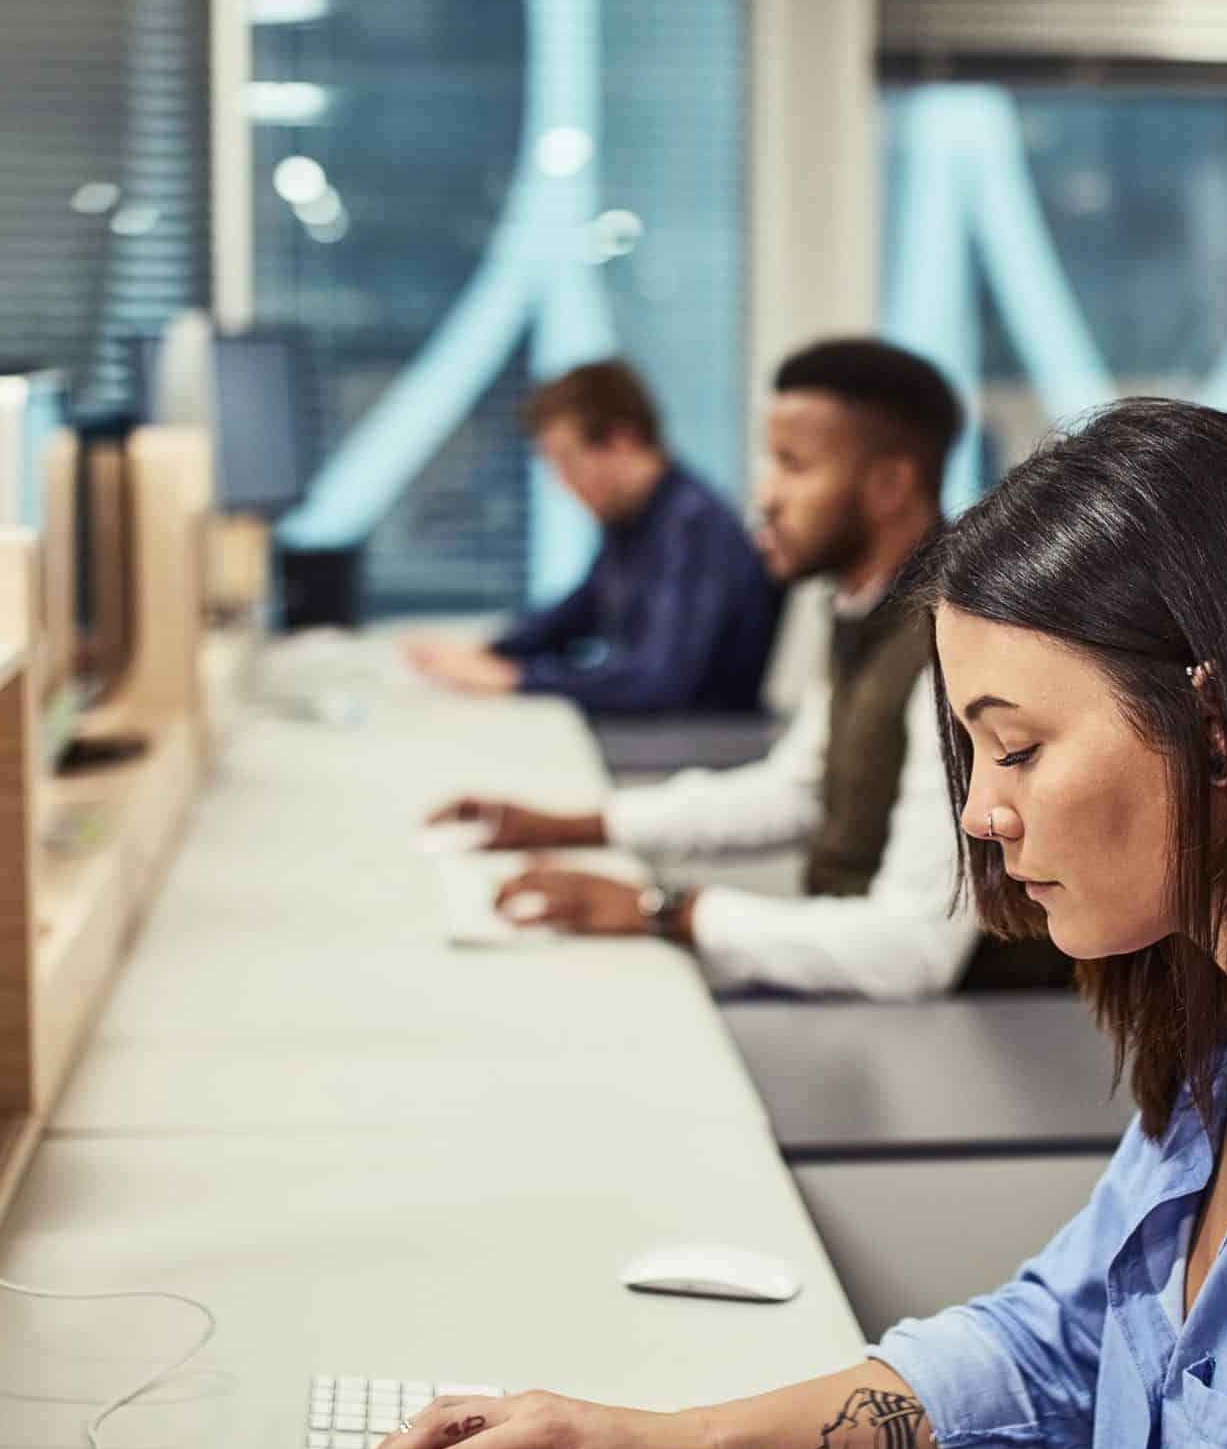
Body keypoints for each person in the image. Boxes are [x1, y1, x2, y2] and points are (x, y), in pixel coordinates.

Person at [371, 400, 1227, 1449]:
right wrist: (675, 1445)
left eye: (1017, 744)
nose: (981, 811)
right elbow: (1058, 1350)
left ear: (1217, 726)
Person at [433, 338, 1055, 1000]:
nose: (764, 496)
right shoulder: (867, 613)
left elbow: (913, 951)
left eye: (793, 466)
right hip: (870, 983)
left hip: (966, 1021)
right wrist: (573, 825)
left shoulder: (957, 646)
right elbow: (797, 790)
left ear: (889, 484)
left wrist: (662, 910)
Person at [404, 358, 781, 714]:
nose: (563, 482)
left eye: (568, 460)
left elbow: (658, 681)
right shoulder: (635, 519)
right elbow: (580, 611)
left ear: (622, 440)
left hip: (703, 742)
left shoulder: (693, 526)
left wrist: (516, 679)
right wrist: (488, 651)